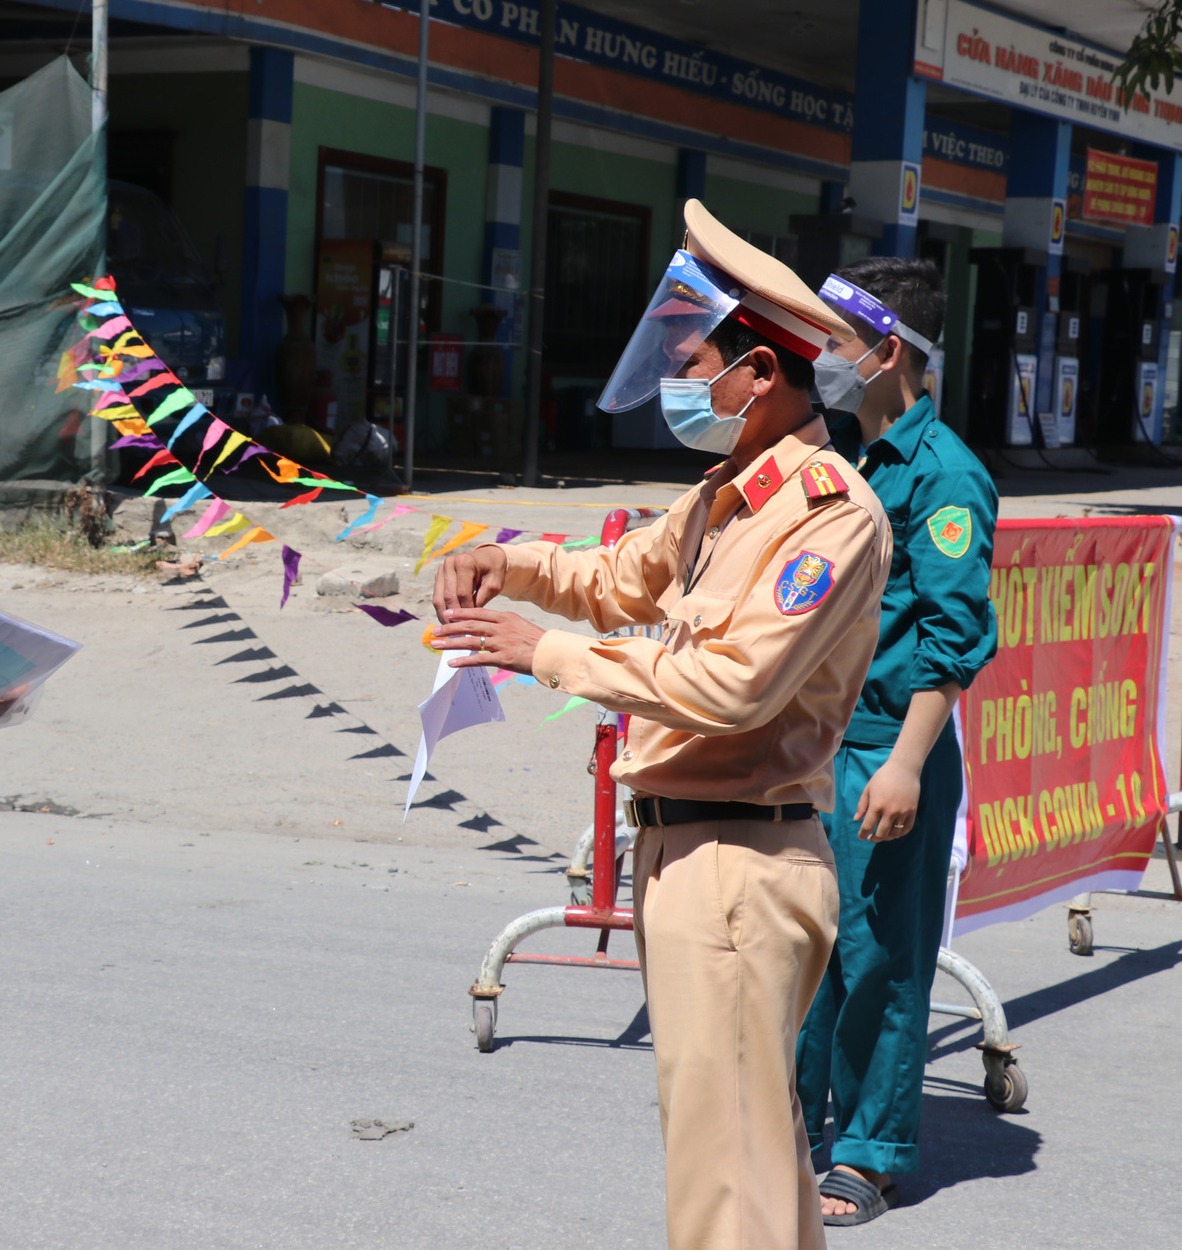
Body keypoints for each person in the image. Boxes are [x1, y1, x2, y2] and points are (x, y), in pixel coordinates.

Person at [432, 199, 892, 1250]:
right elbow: (615, 575)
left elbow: (734, 686)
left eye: (698, 361)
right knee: (753, 1170)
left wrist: (538, 651)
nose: (683, 381)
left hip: (740, 857)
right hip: (690, 849)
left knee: (722, 1189)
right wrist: (505, 563)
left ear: (760, 375)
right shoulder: (730, 491)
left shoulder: (824, 512)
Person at [795, 258, 998, 1226]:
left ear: (885, 353)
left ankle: (868, 1151)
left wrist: (907, 761)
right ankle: (794, 1122)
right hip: (822, 737)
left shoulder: (946, 474)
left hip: (888, 740)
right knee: (811, 945)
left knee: (881, 951)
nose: (820, 359)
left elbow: (951, 641)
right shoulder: (845, 461)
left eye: (835, 342)